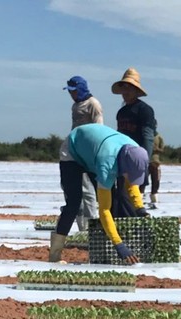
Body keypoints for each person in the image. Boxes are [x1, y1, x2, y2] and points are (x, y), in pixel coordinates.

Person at [51, 123, 150, 264]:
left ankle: (108, 249)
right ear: (123, 166)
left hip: (93, 152)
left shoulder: (136, 151)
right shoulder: (107, 165)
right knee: (74, 203)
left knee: (115, 198)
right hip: (73, 150)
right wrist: (118, 244)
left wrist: (140, 208)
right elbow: (104, 210)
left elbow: (131, 184)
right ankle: (55, 254)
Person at [112, 68, 156, 216]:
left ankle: (137, 228)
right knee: (121, 196)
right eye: (124, 88)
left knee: (134, 196)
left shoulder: (145, 110)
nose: (126, 92)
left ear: (137, 90)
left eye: (129, 88)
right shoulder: (121, 112)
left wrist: (144, 161)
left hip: (137, 159)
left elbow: (148, 136)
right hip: (122, 158)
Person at [63, 75, 103, 231]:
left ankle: (91, 226)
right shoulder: (75, 106)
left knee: (88, 191)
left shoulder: (93, 104)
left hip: (88, 152)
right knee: (75, 191)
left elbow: (98, 128)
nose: (71, 94)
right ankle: (82, 228)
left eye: (73, 91)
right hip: (75, 150)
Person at [148, 132, 164, 208]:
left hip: (155, 162)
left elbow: (162, 149)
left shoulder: (159, 137)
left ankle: (154, 199)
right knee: (142, 181)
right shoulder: (145, 136)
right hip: (146, 162)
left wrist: (156, 149)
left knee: (155, 181)